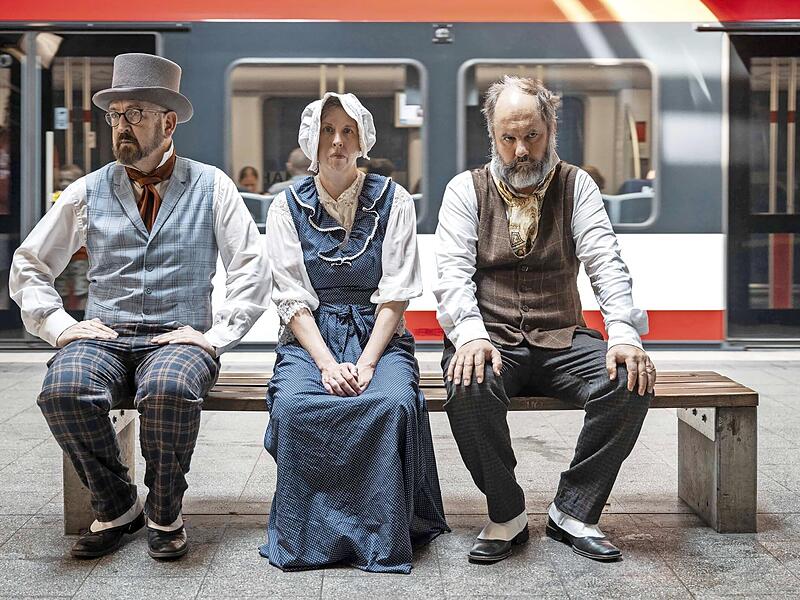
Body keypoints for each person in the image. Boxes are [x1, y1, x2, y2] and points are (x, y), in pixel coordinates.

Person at [9, 53, 271, 560]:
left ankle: (165, 510)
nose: (121, 127)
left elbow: (252, 269)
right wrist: (61, 327)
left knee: (169, 389)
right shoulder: (87, 190)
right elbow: (30, 264)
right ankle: (118, 503)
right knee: (62, 390)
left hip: (179, 337)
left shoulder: (213, 185)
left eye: (135, 115)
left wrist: (214, 336)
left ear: (168, 122)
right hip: (104, 335)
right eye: (115, 115)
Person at [434, 75, 656, 564]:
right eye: (507, 138)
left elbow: (605, 261)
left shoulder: (578, 186)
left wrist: (623, 333)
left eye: (531, 136)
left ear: (551, 128)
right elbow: (451, 275)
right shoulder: (463, 190)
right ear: (491, 135)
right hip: (489, 337)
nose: (520, 150)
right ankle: (506, 511)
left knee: (632, 380)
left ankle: (573, 511)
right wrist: (469, 335)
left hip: (562, 336)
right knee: (468, 386)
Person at [260, 92, 448, 573]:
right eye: (327, 131)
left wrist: (365, 364)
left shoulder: (394, 199)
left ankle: (381, 537)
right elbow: (291, 298)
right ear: (311, 140)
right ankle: (308, 539)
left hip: (377, 335)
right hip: (312, 337)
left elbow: (395, 295)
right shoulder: (286, 207)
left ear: (363, 138)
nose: (337, 141)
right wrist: (326, 364)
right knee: (296, 405)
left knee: (391, 403)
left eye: (347, 131)